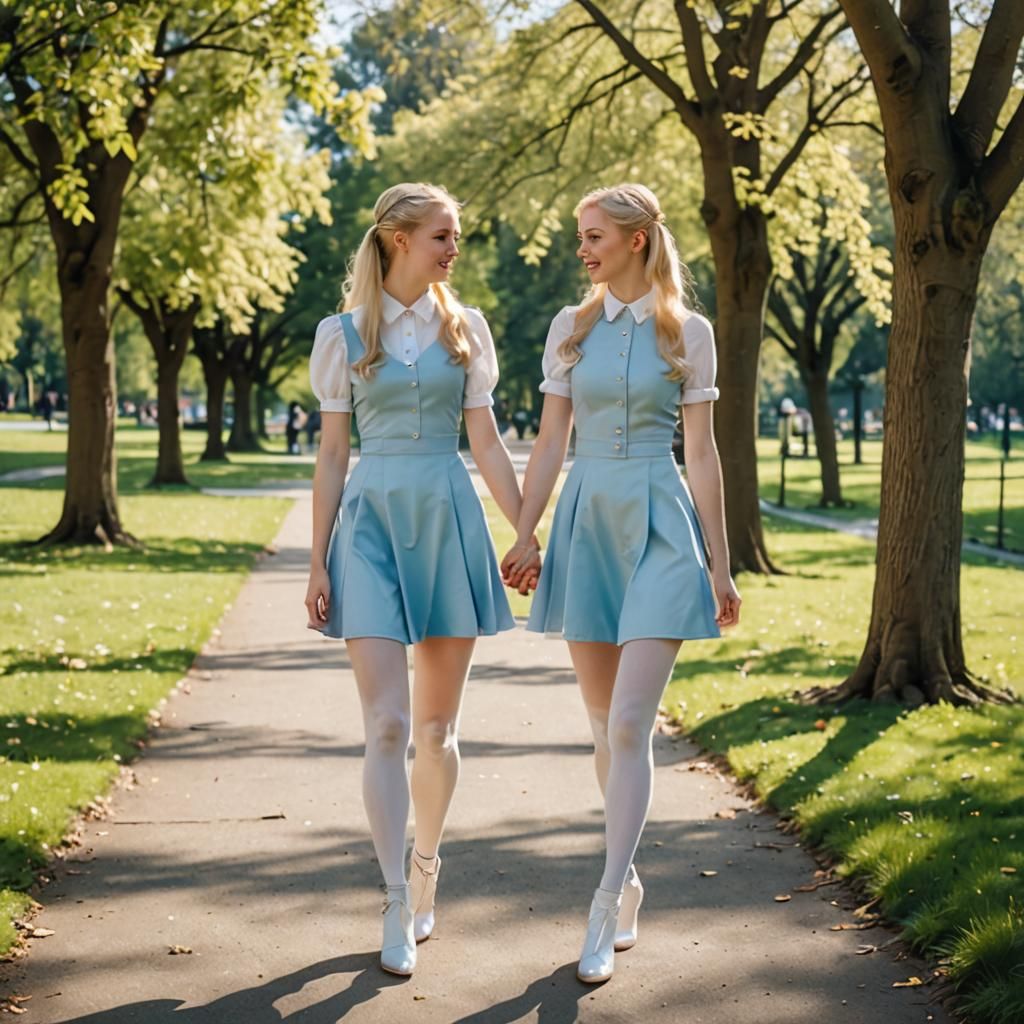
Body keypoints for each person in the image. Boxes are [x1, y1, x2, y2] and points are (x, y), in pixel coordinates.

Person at [502, 183, 741, 984]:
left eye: (594, 235)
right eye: (580, 235)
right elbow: (546, 443)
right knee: (606, 729)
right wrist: (526, 528)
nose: (583, 248)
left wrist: (722, 560)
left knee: (634, 723)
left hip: (663, 527)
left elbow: (702, 453)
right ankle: (628, 875)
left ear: (636, 240)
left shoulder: (690, 332)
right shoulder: (570, 330)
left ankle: (605, 902)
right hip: (587, 524)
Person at [304, 182, 537, 978]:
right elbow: (334, 454)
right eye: (443, 235)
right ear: (400, 238)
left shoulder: (465, 328)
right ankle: (395, 898)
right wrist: (315, 559)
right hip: (367, 531)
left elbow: (490, 442)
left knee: (436, 732)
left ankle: (427, 862)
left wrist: (527, 529)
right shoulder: (342, 334)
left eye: (456, 236)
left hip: (446, 521)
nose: (453, 248)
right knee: (387, 727)